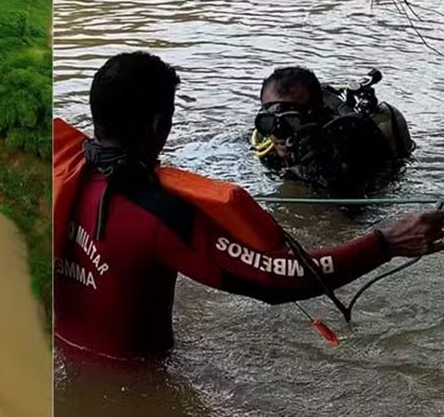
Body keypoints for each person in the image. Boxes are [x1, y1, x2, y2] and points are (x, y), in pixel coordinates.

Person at [53, 51, 444, 361]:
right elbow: (279, 278)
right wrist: (387, 242)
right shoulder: (158, 213)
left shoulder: (59, 172)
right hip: (139, 383)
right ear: (160, 125)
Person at [252, 66, 415, 195]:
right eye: (271, 120)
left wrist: (325, 169)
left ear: (315, 114)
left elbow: (359, 207)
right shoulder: (264, 142)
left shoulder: (348, 140)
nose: (280, 130)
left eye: (291, 120)